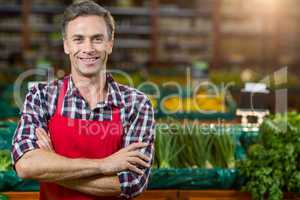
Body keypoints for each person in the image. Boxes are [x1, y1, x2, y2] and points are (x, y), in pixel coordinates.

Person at [11, 0, 155, 199]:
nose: (88, 48)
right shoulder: (41, 96)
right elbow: (26, 165)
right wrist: (104, 165)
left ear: (110, 44)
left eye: (97, 39)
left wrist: (52, 164)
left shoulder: (136, 104)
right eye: (78, 39)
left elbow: (131, 184)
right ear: (66, 45)